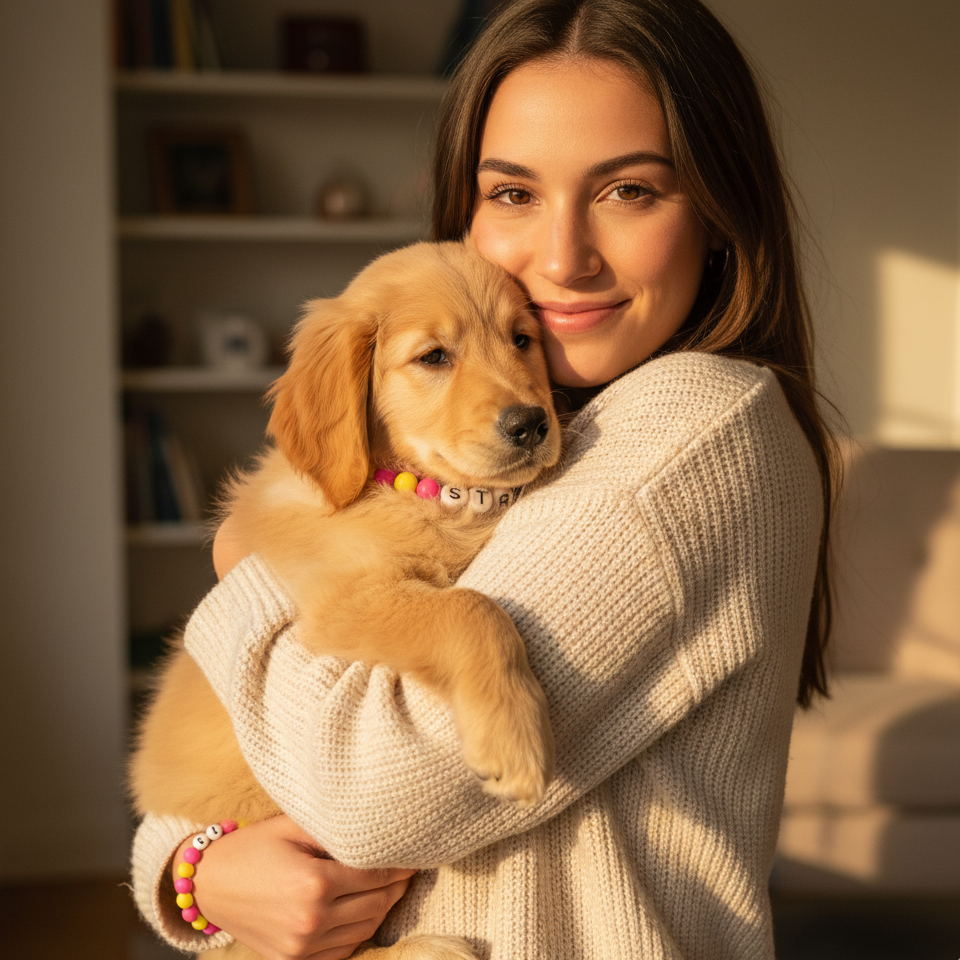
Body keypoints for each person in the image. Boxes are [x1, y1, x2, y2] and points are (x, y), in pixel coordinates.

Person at [131, 1, 838, 957]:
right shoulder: (542, 435)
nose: (562, 259)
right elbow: (197, 799)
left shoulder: (693, 432)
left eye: (628, 190)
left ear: (720, 209)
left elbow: (373, 799)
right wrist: (197, 871)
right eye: (513, 193)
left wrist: (243, 571)